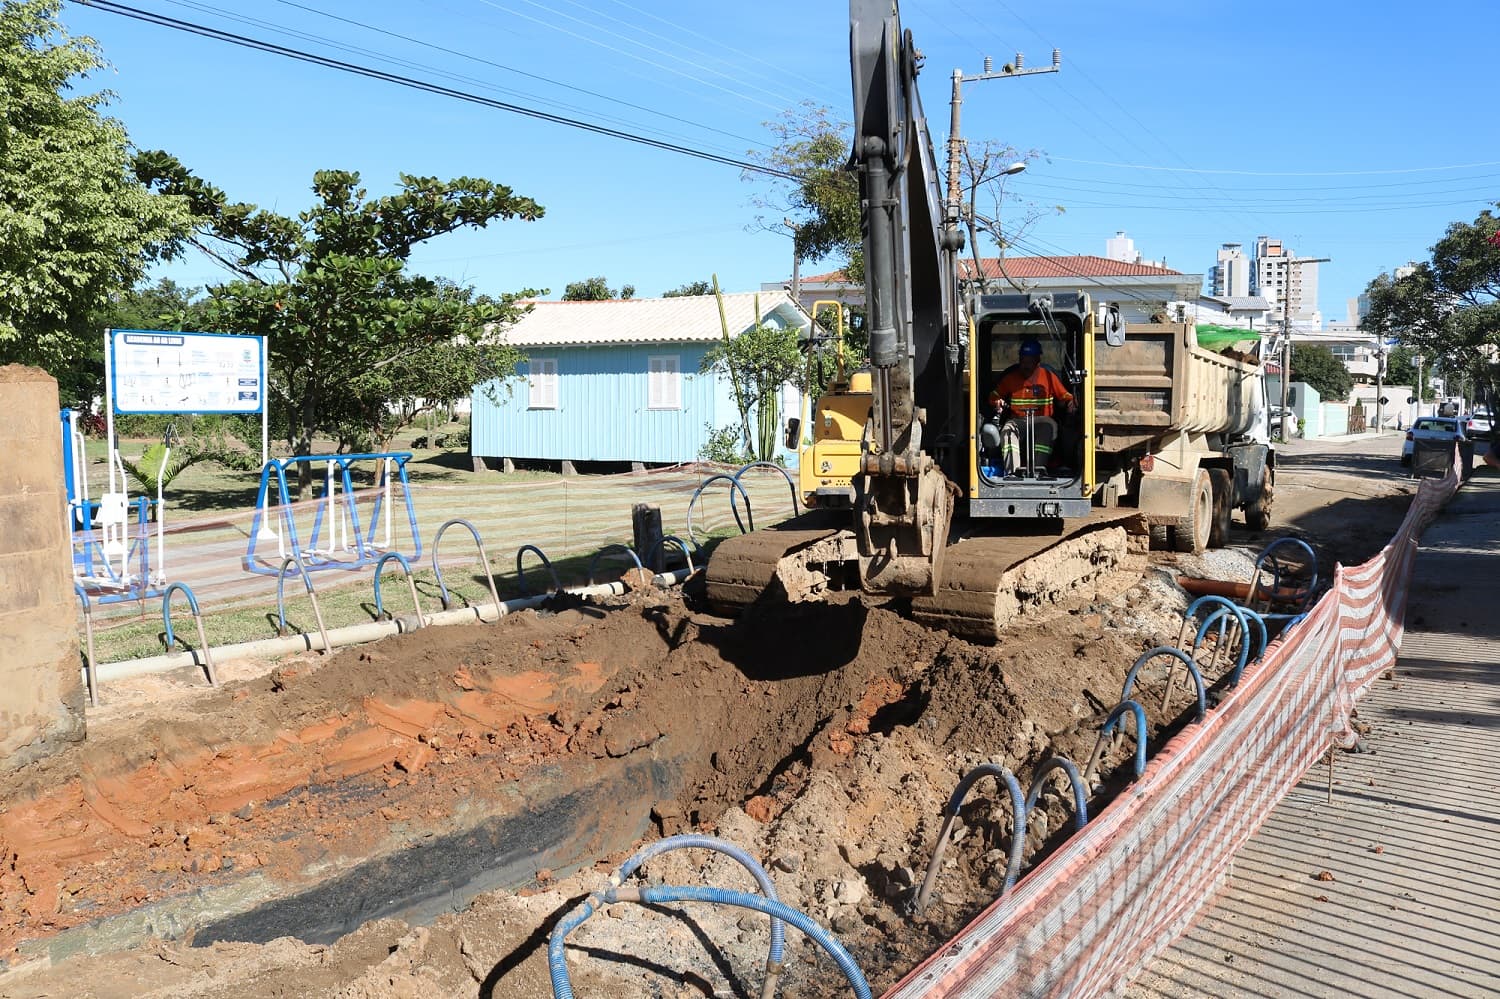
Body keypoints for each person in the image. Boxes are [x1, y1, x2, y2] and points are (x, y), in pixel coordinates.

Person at [981, 337, 1077, 477]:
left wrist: (1071, 404)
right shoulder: (1010, 378)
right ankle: (1012, 473)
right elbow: (993, 396)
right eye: (1023, 361)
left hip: (1043, 420)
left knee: (1048, 428)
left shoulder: (1049, 377)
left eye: (1029, 362)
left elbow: (1066, 397)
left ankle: (1038, 471)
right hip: (1018, 420)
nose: (1025, 365)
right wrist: (996, 401)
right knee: (1007, 430)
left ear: (1038, 361)